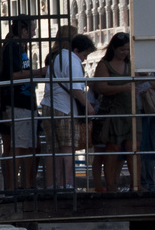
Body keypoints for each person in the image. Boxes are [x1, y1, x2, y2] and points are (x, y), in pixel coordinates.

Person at [0, 15, 45, 191]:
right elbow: (12, 75)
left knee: (29, 146)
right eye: (32, 29)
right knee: (18, 147)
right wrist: (38, 72)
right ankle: (13, 187)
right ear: (23, 30)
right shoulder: (12, 48)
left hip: (26, 104)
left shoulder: (18, 48)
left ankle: (24, 184)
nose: (34, 33)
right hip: (18, 104)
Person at [89, 33, 140, 191]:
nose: (125, 53)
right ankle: (110, 185)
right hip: (113, 111)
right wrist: (122, 88)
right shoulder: (104, 65)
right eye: (122, 50)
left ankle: (136, 185)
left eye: (127, 49)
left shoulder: (131, 64)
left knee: (134, 148)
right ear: (114, 49)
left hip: (131, 110)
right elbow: (100, 87)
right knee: (113, 148)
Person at [43, 29, 92, 189]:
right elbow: (76, 89)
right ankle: (66, 184)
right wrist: (89, 107)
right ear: (77, 50)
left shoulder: (56, 57)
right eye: (85, 55)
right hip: (64, 108)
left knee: (52, 148)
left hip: (48, 106)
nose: (84, 59)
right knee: (67, 147)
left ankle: (51, 184)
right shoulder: (73, 61)